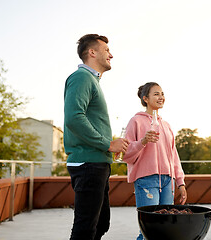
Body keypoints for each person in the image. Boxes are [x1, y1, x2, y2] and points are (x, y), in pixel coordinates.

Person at [64, 34, 129, 240]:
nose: (111, 54)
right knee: (85, 229)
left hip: (96, 162)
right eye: (106, 50)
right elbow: (74, 118)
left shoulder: (92, 80)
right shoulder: (81, 77)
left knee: (100, 224)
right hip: (87, 163)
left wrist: (109, 147)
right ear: (92, 52)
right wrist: (107, 144)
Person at [122, 82, 187, 240]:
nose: (161, 97)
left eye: (162, 94)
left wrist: (181, 182)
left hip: (167, 181)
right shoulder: (135, 121)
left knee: (165, 227)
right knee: (149, 228)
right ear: (145, 98)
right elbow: (126, 154)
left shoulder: (166, 125)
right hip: (146, 180)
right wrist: (142, 141)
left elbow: (174, 156)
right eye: (156, 94)